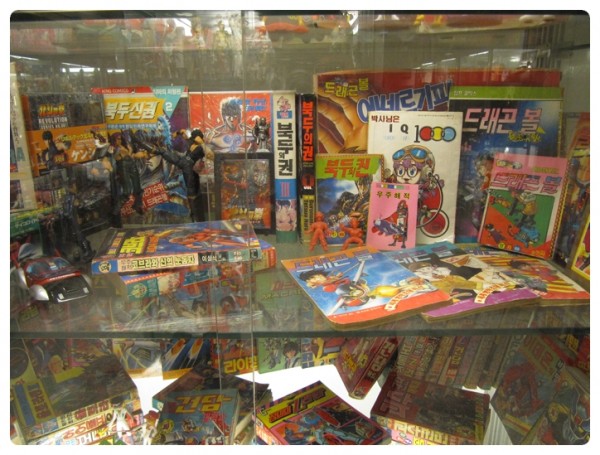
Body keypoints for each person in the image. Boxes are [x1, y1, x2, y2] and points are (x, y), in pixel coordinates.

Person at [153, 129, 212, 222]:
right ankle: (194, 218)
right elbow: (184, 133)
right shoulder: (191, 143)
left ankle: (198, 220)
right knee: (190, 197)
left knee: (195, 197)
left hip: (194, 175)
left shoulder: (201, 147)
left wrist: (202, 143)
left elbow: (211, 155)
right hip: (187, 173)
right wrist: (178, 133)